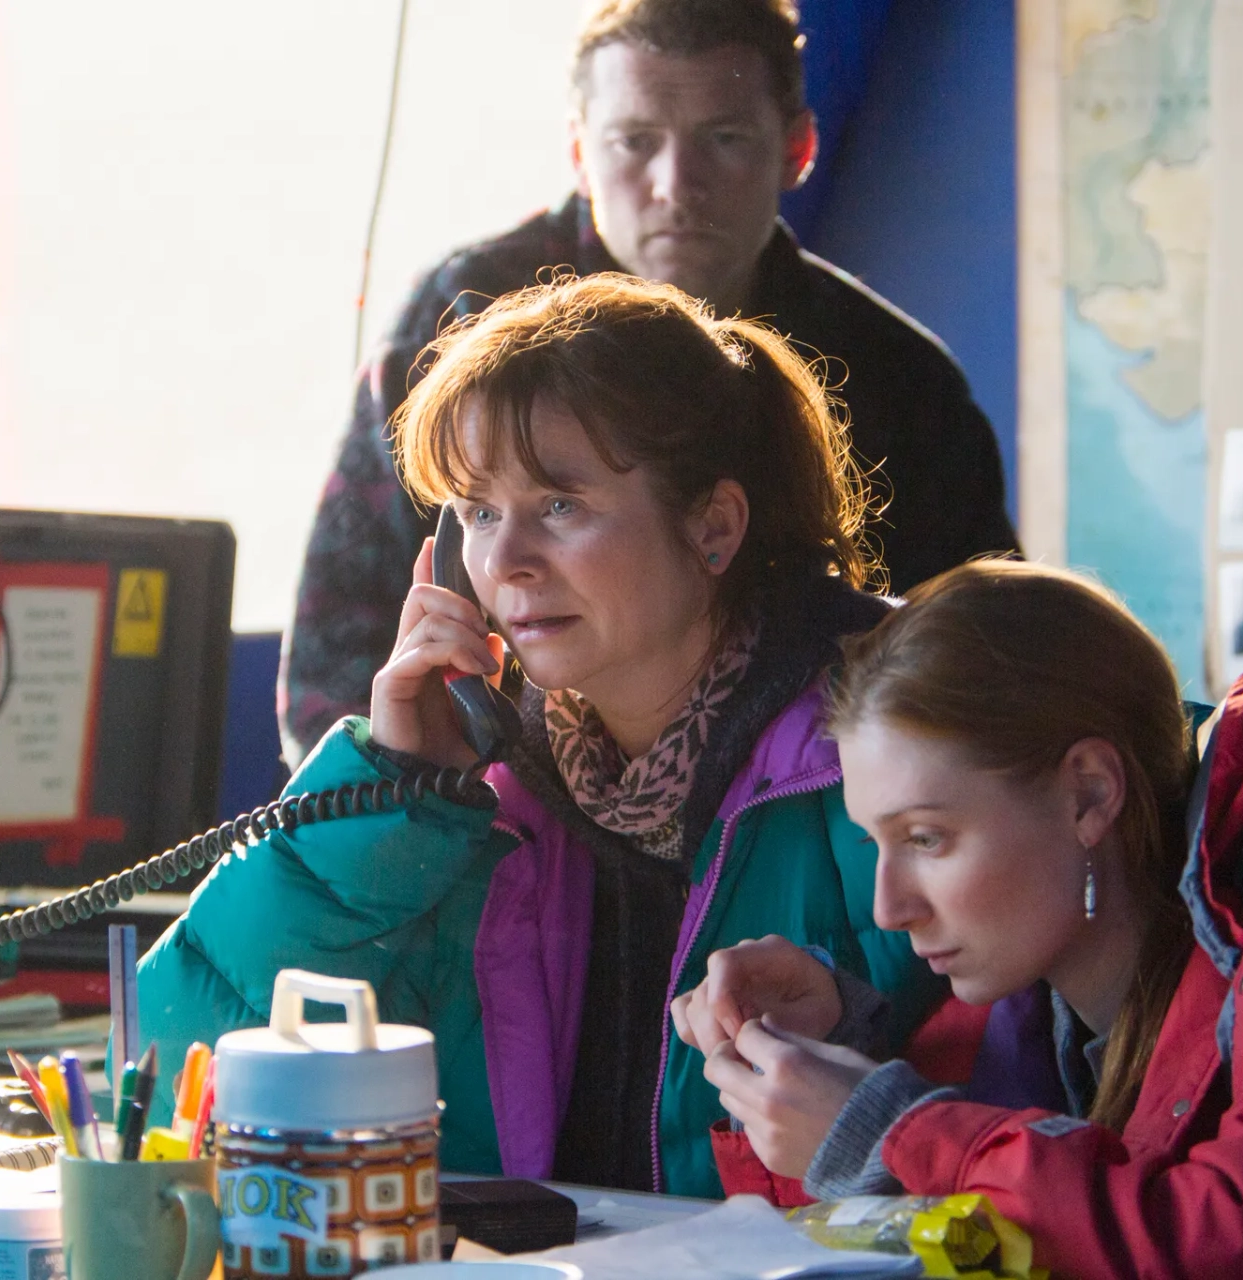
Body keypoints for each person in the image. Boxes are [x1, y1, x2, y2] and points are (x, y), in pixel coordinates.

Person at [139, 275, 1243, 1199]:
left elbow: (1168, 763)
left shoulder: (887, 700)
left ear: (714, 527)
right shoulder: (459, 782)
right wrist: (386, 790)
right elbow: (178, 1047)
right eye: (479, 513)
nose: (507, 561)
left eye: (559, 504)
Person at [674, 563, 1243, 1275]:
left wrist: (895, 1129)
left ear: (1090, 794)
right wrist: (835, 1059)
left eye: (927, 837)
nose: (889, 908)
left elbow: (1222, 1252)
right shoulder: (1013, 1005)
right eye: (876, 843)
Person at [279, 0, 1019, 762]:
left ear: (798, 147)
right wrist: (399, 807)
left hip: (817, 809)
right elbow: (334, 665)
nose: (676, 183)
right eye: (635, 142)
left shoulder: (899, 377)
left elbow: (984, 668)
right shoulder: (463, 318)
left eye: (724, 139)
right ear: (577, 150)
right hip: (504, 820)